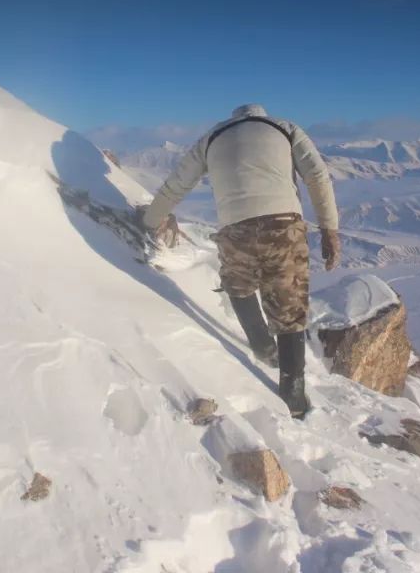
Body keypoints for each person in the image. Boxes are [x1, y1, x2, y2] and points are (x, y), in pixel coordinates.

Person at [140, 104, 341, 418]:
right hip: (283, 225)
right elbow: (316, 175)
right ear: (260, 115)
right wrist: (330, 228)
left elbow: (178, 183)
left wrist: (150, 220)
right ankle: (293, 392)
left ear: (235, 118)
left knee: (239, 285)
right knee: (289, 306)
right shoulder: (285, 129)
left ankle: (262, 346)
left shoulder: (212, 137)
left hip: (235, 229)